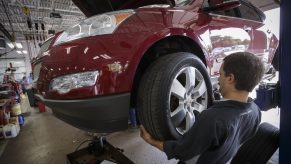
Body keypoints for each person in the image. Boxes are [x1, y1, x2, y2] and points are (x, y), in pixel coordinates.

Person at [140, 52, 265, 164]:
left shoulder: (212, 119)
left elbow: (181, 151)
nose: (218, 79)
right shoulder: (255, 111)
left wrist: (151, 140)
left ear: (230, 78)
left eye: (220, 74)